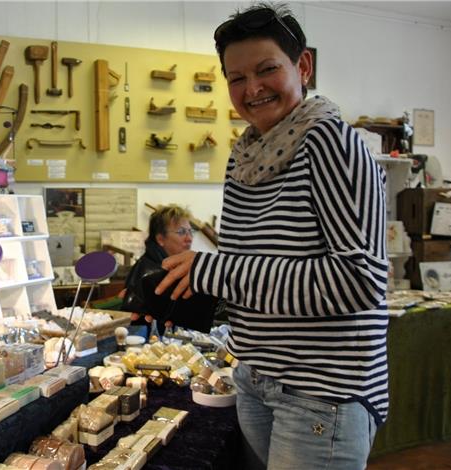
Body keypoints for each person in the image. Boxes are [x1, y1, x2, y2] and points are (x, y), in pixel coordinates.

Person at [155, 3, 388, 469]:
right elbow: (251, 275)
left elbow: (360, 281)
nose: (252, 89)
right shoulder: (245, 156)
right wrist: (207, 286)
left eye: (266, 70)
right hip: (255, 377)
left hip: (321, 391)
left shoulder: (330, 143)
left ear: (302, 67)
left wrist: (215, 270)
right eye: (236, 77)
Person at [121, 204, 221, 336]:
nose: (189, 238)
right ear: (160, 239)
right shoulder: (149, 273)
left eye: (190, 232)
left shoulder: (182, 268)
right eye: (181, 232)